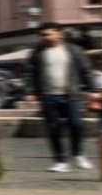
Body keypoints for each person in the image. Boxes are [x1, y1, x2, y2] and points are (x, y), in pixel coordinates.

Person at [28, 22, 94, 172]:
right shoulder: (37, 52)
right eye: (42, 35)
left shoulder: (73, 50)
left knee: (76, 125)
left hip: (71, 95)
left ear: (59, 33)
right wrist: (30, 91)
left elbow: (86, 69)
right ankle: (60, 160)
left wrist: (92, 88)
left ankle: (78, 154)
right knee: (53, 129)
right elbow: (30, 73)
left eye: (48, 34)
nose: (44, 37)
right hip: (48, 96)